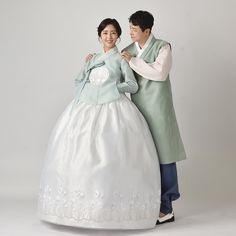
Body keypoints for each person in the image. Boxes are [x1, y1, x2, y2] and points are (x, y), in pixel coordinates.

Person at [38, 18, 161, 230]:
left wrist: (114, 88)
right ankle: (77, 210)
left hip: (113, 108)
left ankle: (112, 211)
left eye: (113, 33)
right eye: (105, 33)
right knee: (78, 155)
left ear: (119, 37)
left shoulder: (121, 59)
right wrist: (88, 64)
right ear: (99, 36)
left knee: (112, 157)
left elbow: (132, 85)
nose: (109, 37)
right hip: (85, 108)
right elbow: (81, 80)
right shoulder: (92, 58)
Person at [121, 10, 187, 225]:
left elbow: (159, 73)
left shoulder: (162, 47)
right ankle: (147, 203)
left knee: (164, 155)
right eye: (129, 27)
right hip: (137, 107)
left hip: (159, 108)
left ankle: (166, 208)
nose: (130, 32)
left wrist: (132, 62)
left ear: (147, 30)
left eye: (134, 28)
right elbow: (116, 70)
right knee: (143, 156)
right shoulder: (127, 50)